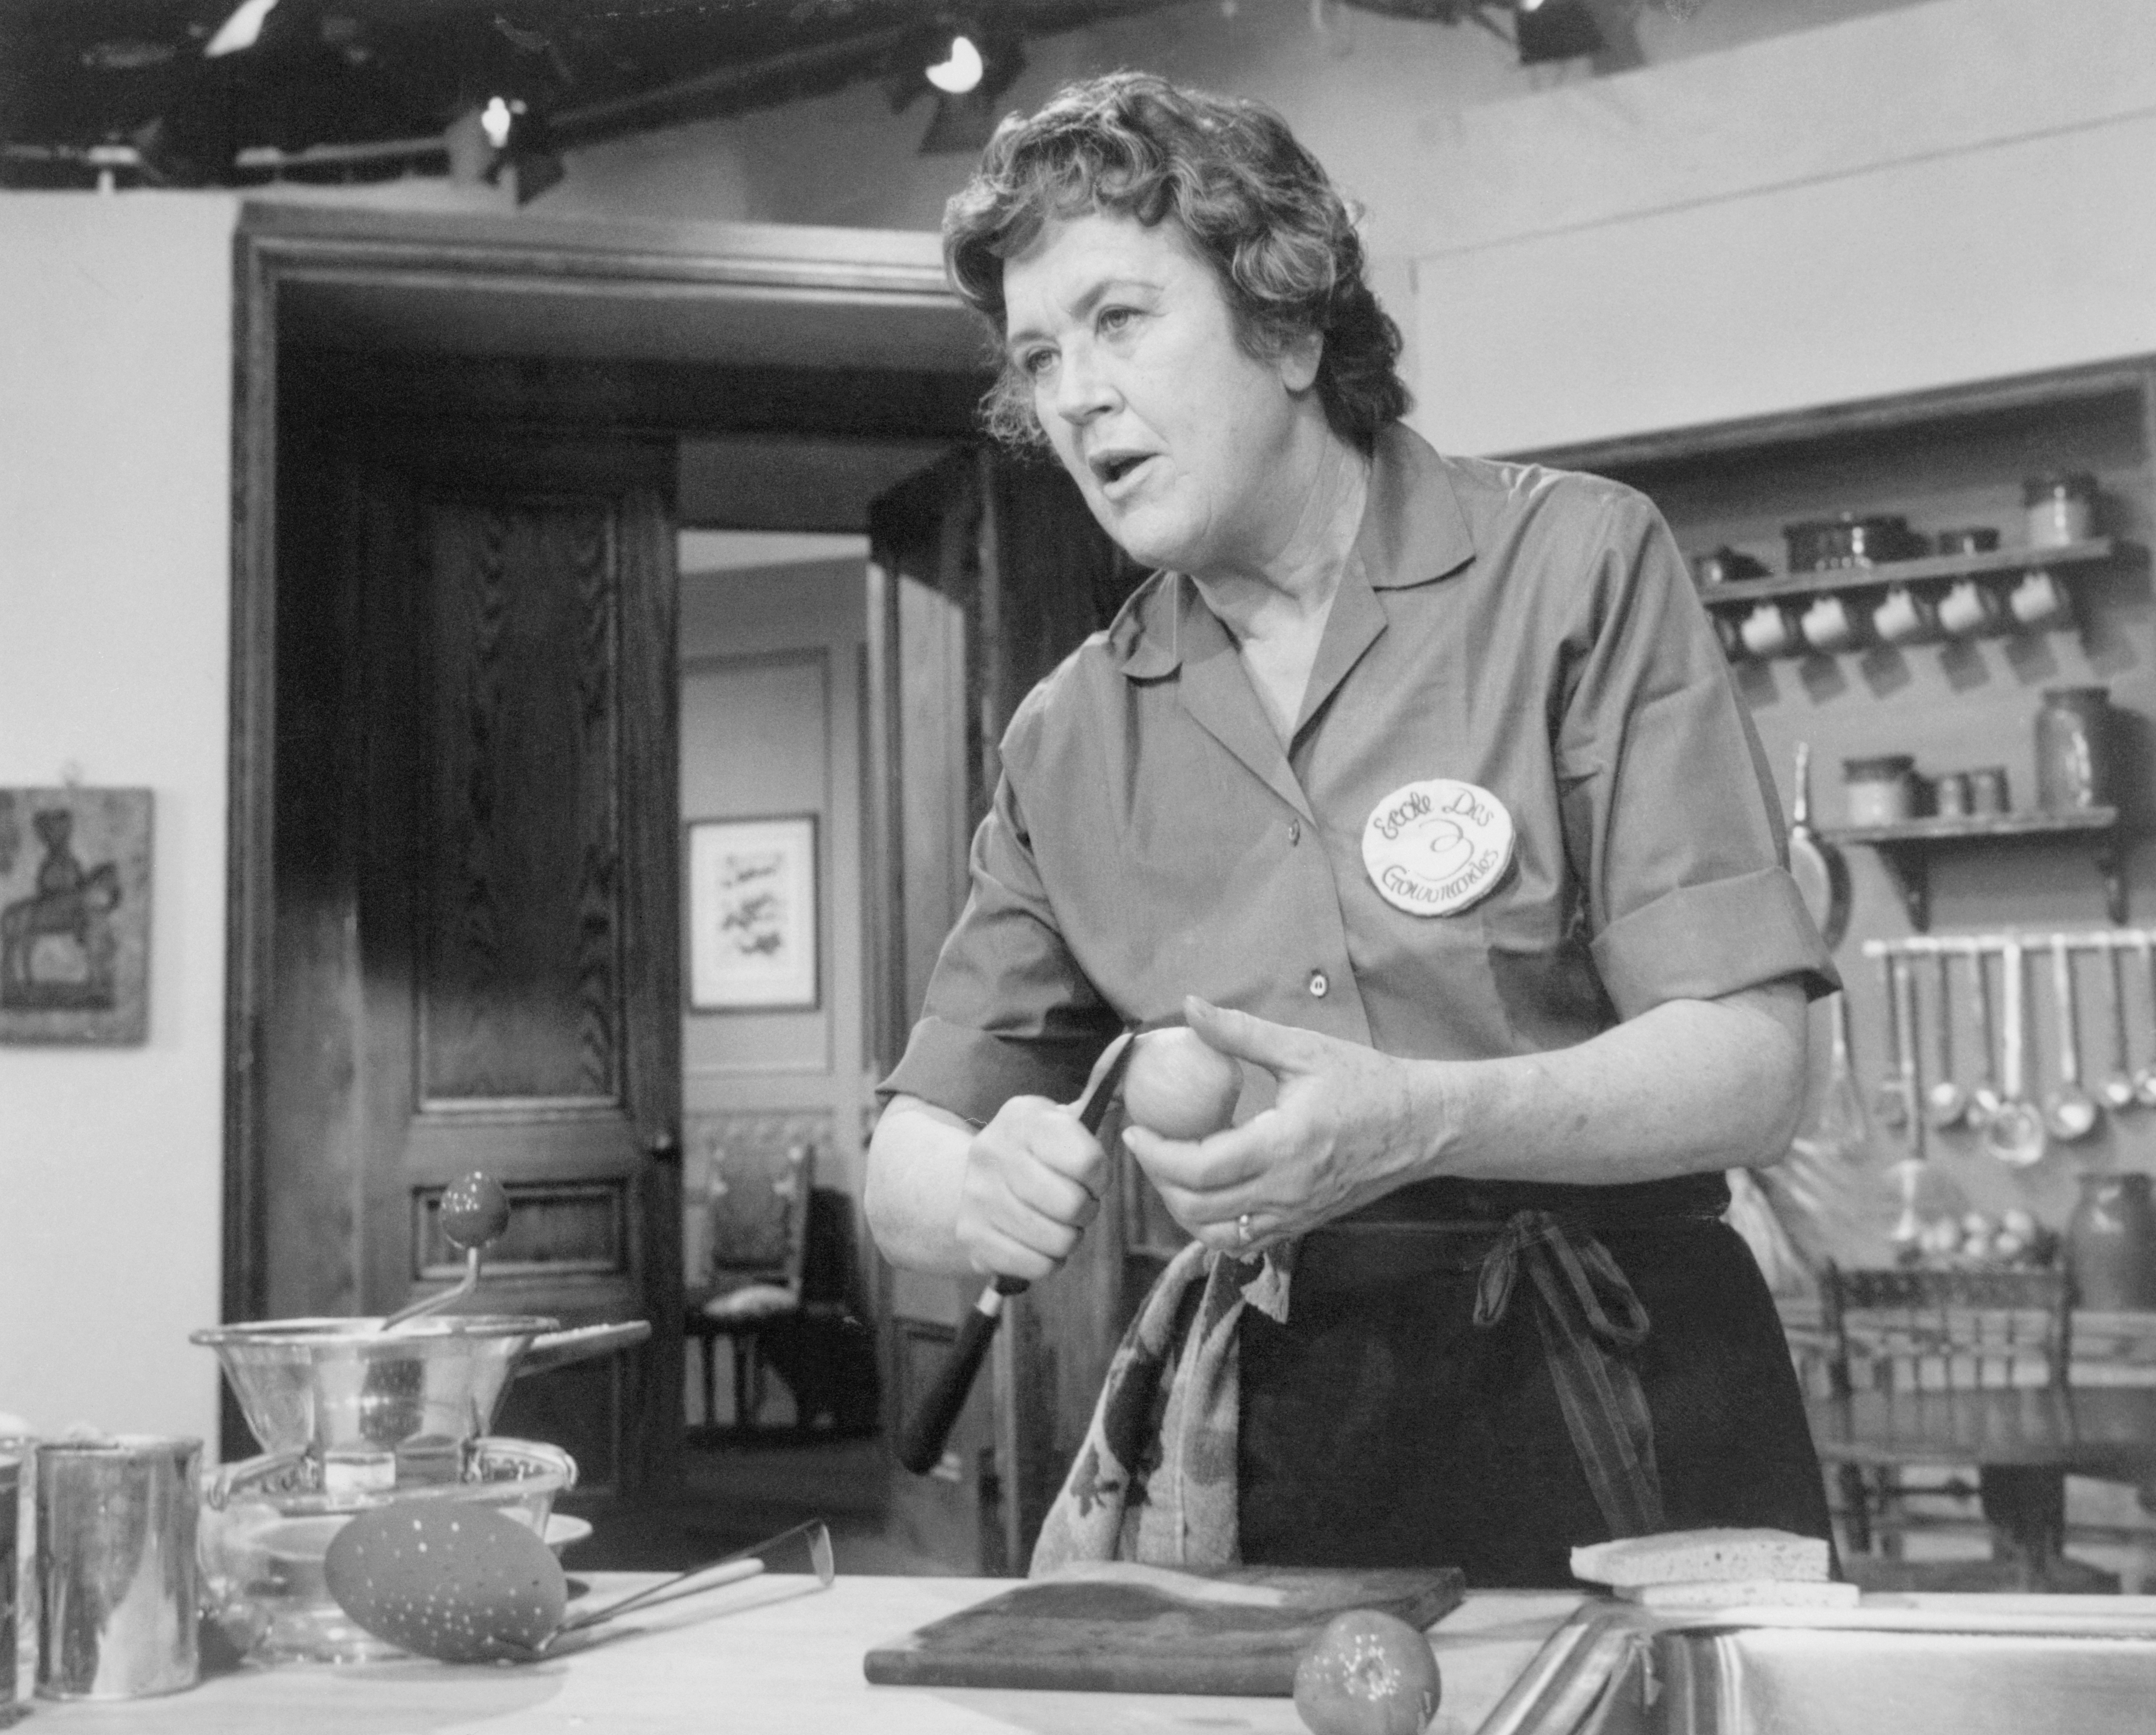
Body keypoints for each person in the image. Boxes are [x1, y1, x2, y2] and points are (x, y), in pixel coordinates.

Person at [864, 70, 1837, 1586]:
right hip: (1282, 1444)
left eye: (1120, 321)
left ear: (1291, 323)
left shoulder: (1570, 567)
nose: (1071, 394)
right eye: (1040, 356)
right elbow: (907, 1156)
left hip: (1632, 1398)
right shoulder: (1069, 734)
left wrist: (1424, 1116)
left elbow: (1751, 1067)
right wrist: (974, 1185)